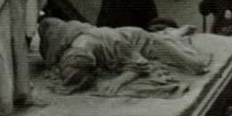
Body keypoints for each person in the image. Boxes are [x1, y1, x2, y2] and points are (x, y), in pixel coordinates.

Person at [38, 17, 211, 95]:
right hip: (122, 39)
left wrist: (117, 81)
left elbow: (141, 65)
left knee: (196, 65)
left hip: (140, 41)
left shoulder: (110, 43)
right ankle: (170, 34)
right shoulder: (69, 46)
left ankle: (173, 34)